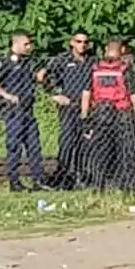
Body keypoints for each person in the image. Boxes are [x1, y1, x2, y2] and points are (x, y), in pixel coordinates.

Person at [0, 31, 47, 192]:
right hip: (14, 111)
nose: (29, 47)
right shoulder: (3, 61)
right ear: (15, 43)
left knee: (34, 146)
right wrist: (6, 95)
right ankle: (14, 182)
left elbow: (33, 80)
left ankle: (38, 180)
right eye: (25, 44)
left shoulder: (28, 62)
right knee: (14, 146)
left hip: (28, 109)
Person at [80, 38, 135, 192]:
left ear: (106, 49)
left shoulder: (95, 69)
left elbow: (86, 95)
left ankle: (100, 186)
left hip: (100, 115)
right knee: (126, 153)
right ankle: (127, 188)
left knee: (101, 152)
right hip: (122, 115)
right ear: (122, 50)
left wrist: (85, 117)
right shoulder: (126, 71)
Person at [38, 31, 95, 189]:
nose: (82, 45)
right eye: (78, 41)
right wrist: (54, 95)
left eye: (85, 42)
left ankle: (82, 175)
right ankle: (62, 175)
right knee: (67, 141)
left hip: (88, 106)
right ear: (72, 42)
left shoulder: (92, 60)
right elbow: (42, 76)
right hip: (69, 107)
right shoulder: (62, 60)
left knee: (85, 142)